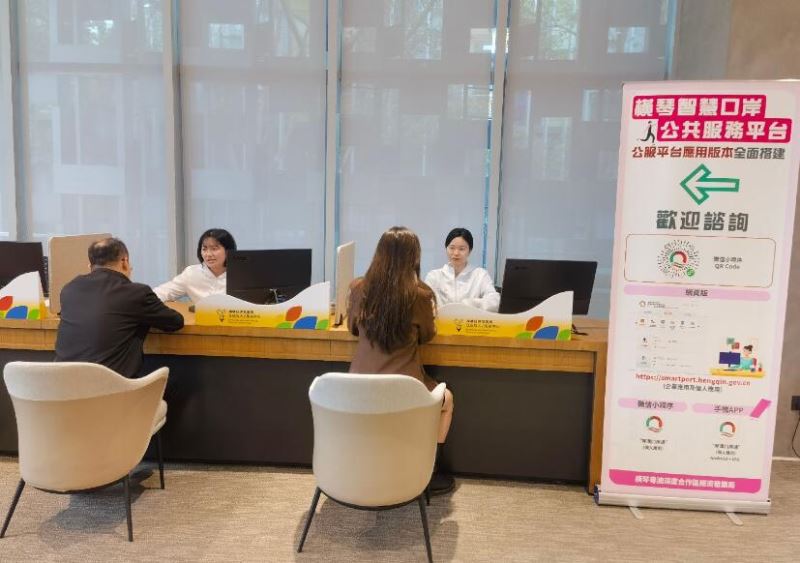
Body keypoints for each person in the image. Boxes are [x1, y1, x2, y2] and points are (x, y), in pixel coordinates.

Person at [348, 226, 455, 495]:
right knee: (447, 400)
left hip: (357, 391)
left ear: (379, 254)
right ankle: (429, 471)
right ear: (414, 257)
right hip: (405, 393)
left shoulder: (358, 288)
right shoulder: (420, 295)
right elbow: (427, 335)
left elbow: (353, 328)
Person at [55, 237, 184, 378]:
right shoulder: (136, 293)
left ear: (90, 266)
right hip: (112, 388)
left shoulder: (69, 289)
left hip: (62, 386)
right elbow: (175, 322)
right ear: (124, 261)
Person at [424, 227, 500, 312]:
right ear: (446, 248)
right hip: (441, 320)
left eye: (461, 249)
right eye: (452, 248)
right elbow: (425, 303)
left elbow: (495, 301)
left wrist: (470, 304)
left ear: (469, 251)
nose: (456, 253)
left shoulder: (480, 275)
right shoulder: (434, 276)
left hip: (470, 319)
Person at [154, 228, 237, 303]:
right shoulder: (192, 273)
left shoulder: (240, 275)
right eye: (204, 249)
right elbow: (164, 292)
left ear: (228, 250)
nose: (208, 254)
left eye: (214, 249)